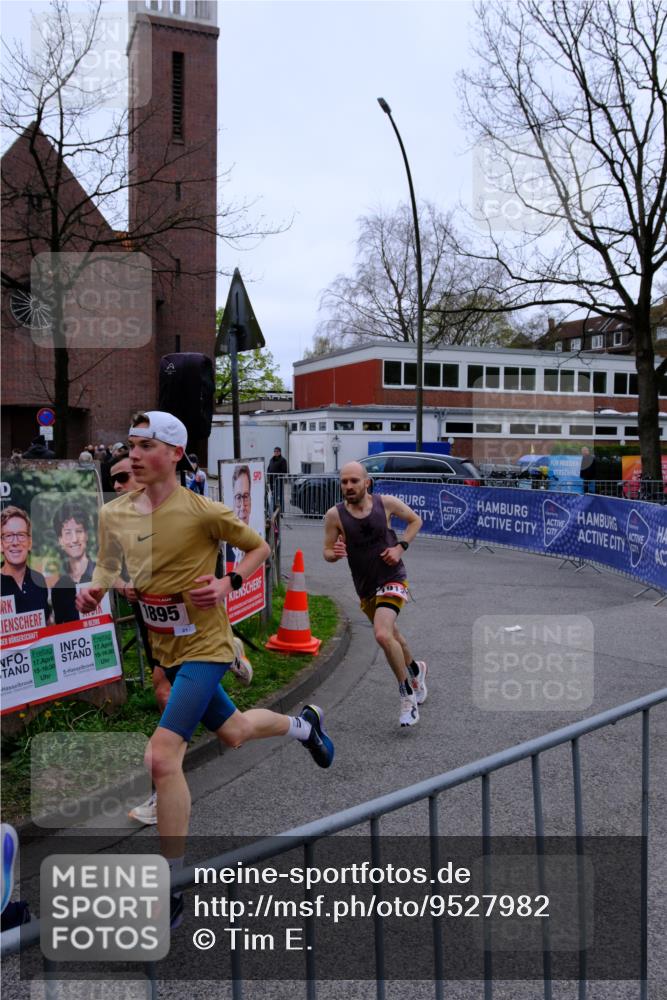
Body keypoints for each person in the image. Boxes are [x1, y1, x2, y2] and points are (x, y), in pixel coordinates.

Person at [77, 411, 333, 920]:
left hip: (206, 644)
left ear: (174, 453)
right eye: (130, 445)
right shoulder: (114, 513)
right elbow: (108, 562)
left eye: (146, 445)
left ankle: (170, 888)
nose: (133, 455)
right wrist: (96, 588)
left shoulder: (203, 511)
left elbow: (257, 547)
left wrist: (227, 584)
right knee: (234, 731)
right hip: (165, 646)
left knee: (162, 757)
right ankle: (304, 727)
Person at [323, 461, 428, 728]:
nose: (348, 486)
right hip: (366, 587)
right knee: (393, 636)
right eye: (344, 481)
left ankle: (407, 695)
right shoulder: (334, 516)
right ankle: (416, 670)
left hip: (393, 578)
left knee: (382, 634)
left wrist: (400, 547)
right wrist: (333, 554)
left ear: (366, 482)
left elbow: (416, 520)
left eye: (354, 481)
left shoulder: (386, 503)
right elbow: (326, 552)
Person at [0, 506, 51, 621]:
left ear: (30, 543)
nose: (15, 542)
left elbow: (46, 625)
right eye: (8, 536)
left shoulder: (39, 580)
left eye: (21, 535)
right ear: (0, 544)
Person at [51, 501, 96, 624]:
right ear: (60, 540)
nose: (74, 539)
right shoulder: (59, 588)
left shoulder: (103, 574)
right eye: (68, 533)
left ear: (86, 535)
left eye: (79, 531)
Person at [267, 446, 287, 511]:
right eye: (275, 451)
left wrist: (276, 475)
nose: (276, 453)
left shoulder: (283, 460)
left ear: (280, 452)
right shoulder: (271, 460)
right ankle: (274, 510)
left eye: (277, 451)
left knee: (280, 496)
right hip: (272, 481)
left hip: (279, 481)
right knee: (273, 495)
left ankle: (281, 511)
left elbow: (284, 471)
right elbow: (268, 469)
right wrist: (268, 477)